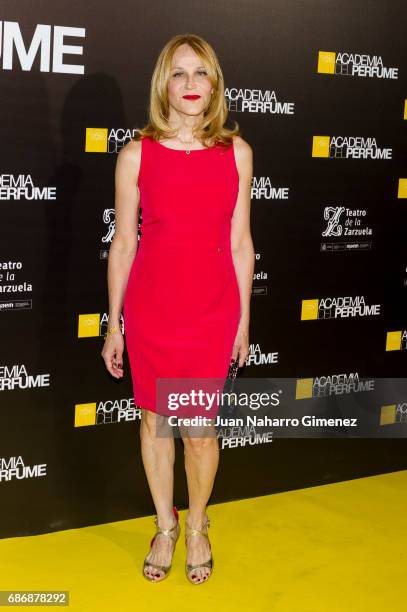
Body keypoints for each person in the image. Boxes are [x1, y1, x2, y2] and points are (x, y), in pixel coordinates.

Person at [101, 33, 254, 585]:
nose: (191, 85)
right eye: (179, 73)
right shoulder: (136, 154)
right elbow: (123, 244)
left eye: (201, 74)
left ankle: (197, 525)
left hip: (212, 311)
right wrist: (114, 324)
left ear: (214, 84)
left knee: (199, 433)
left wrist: (243, 323)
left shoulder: (236, 153)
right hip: (153, 311)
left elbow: (241, 243)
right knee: (156, 425)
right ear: (162, 84)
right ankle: (165, 526)